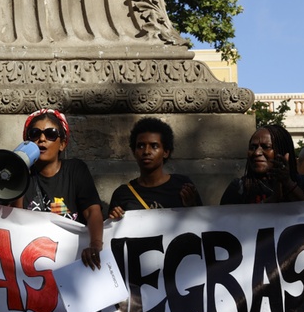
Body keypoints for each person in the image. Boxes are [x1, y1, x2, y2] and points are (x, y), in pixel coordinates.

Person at [13, 109, 104, 270]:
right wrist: (18, 172)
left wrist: (95, 246)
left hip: (70, 266)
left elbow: (92, 211)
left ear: (62, 144)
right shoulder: (22, 176)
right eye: (34, 134)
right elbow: (14, 221)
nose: (41, 139)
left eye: (50, 134)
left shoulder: (75, 170)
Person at [107, 117, 201, 217]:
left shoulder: (182, 186)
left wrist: (191, 207)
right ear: (134, 152)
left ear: (165, 152)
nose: (146, 151)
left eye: (154, 146)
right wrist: (114, 219)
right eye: (141, 146)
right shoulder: (123, 194)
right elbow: (114, 230)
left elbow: (202, 224)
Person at [219, 124, 304, 204]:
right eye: (252, 147)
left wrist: (288, 183)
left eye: (266, 147)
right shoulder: (239, 188)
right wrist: (271, 201)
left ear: (282, 151)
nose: (257, 153)